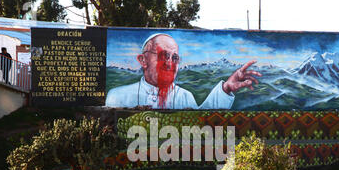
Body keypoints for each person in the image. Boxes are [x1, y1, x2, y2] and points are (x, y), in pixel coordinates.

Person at [105, 33, 261, 110]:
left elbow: (202, 124)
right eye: (163, 55)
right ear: (143, 60)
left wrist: (226, 88)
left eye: (175, 58)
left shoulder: (185, 97)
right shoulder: (117, 97)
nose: (169, 63)